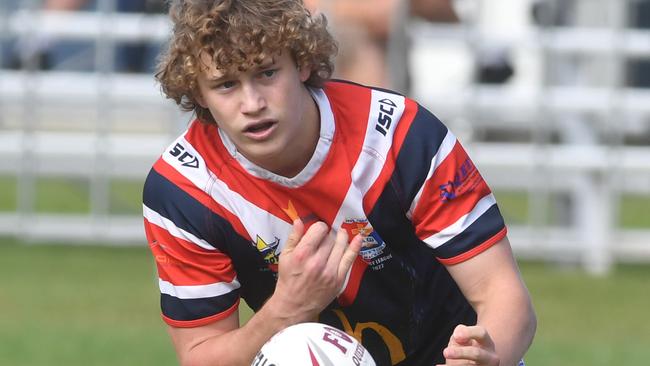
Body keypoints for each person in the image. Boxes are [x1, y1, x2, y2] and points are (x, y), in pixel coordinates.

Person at [142, 0, 536, 365]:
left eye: (266, 73)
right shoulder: (183, 189)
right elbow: (201, 356)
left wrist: (488, 357)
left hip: (443, 356)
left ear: (302, 64)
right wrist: (286, 309)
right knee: (295, 348)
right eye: (226, 84)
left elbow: (505, 298)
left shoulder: (400, 135)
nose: (252, 103)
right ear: (199, 93)